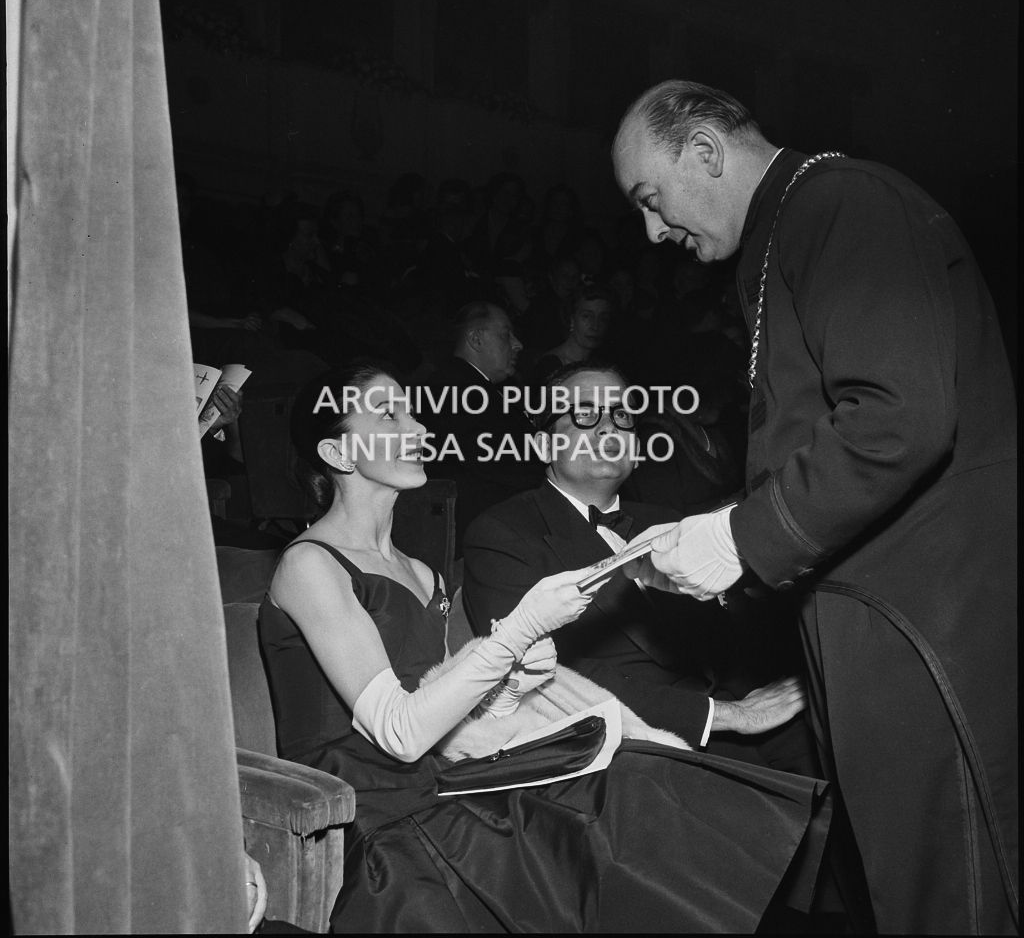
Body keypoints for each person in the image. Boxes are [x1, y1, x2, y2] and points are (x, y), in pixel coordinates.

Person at [612, 79, 1018, 934]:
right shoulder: (788, 231)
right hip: (867, 610)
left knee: (949, 894)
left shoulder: (839, 203)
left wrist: (740, 536)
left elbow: (899, 414)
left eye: (652, 200)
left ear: (706, 153)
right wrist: (719, 539)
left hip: (919, 617)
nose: (654, 232)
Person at [258, 362, 832, 933]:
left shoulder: (421, 572)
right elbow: (399, 731)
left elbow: (453, 715)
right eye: (389, 414)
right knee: (612, 808)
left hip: (446, 776)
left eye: (411, 409)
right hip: (369, 804)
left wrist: (513, 683)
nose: (418, 428)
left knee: (635, 784)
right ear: (338, 456)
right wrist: (517, 632)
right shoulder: (310, 563)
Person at [463, 362, 817, 772]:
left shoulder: (666, 518)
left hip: (750, 711)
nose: (607, 428)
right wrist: (726, 716)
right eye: (585, 414)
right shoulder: (500, 533)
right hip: (633, 745)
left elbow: (729, 635)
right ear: (544, 447)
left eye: (621, 416)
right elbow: (543, 678)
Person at [418, 302, 544, 553]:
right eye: (505, 334)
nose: (517, 344)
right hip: (485, 540)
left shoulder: (477, 389)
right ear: (476, 339)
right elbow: (500, 464)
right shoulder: (457, 390)